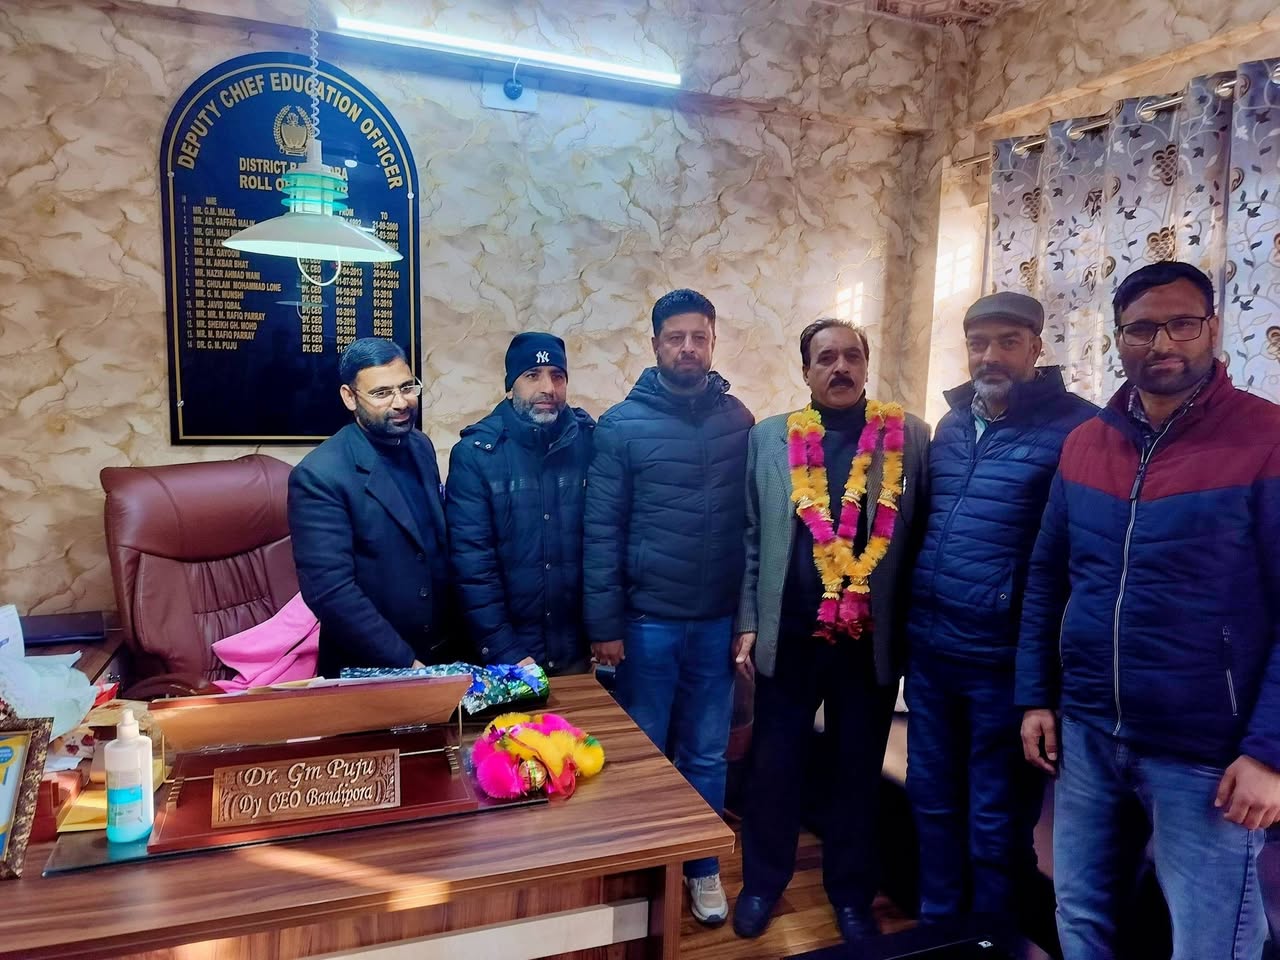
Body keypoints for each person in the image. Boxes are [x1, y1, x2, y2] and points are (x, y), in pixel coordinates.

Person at [1016, 261, 1280, 959]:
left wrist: (1269, 754)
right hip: (1088, 732)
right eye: (1140, 329)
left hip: (1207, 753)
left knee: (1210, 944)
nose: (1161, 343)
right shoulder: (1085, 443)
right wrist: (1036, 695)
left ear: (1212, 329)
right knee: (1081, 916)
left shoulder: (1267, 440)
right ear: (1118, 339)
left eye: (1180, 324)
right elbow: (1048, 577)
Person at [732, 318, 930, 943]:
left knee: (856, 775)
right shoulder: (769, 437)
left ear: (866, 365)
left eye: (851, 356)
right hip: (790, 637)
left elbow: (920, 537)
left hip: (867, 645)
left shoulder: (909, 435)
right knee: (774, 769)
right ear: (806, 370)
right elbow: (752, 536)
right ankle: (762, 884)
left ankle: (851, 896)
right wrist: (748, 622)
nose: (840, 368)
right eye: (826, 358)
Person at [904, 293, 1096, 938]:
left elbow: (1071, 564)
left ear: (1037, 347)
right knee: (931, 800)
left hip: (1004, 666)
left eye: (1008, 342)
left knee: (996, 819)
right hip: (931, 656)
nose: (990, 356)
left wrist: (1040, 685)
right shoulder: (952, 425)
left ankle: (991, 940)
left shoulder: (1077, 431)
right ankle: (936, 931)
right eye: (978, 343)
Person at [583, 288, 754, 926]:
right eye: (675, 337)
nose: (688, 348)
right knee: (645, 755)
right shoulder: (620, 426)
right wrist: (605, 625)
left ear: (713, 343)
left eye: (699, 337)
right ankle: (647, 869)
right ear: (655, 344)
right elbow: (601, 531)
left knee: (706, 755)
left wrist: (746, 619)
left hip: (715, 623)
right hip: (646, 623)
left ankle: (703, 867)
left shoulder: (739, 420)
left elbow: (751, 528)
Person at [288, 337, 452, 677]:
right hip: (372, 667)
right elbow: (330, 592)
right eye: (382, 393)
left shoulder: (420, 446)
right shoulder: (319, 475)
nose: (401, 402)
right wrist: (406, 664)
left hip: (440, 656)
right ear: (350, 397)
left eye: (407, 387)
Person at [446, 332, 595, 674]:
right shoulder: (476, 455)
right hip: (507, 657)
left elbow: (604, 544)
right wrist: (506, 651)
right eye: (532, 375)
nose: (548, 388)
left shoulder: (589, 442)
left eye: (557, 376)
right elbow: (472, 567)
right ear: (510, 385)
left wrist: (603, 632)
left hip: (578, 653)